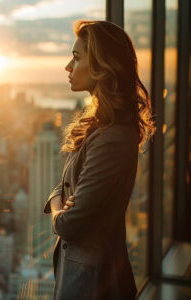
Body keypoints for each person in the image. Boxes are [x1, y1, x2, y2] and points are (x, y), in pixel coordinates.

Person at [43, 20, 156, 299]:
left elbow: (69, 224)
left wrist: (58, 207)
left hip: (95, 284)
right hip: (81, 278)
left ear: (102, 66)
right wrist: (64, 200)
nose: (68, 67)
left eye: (77, 57)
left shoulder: (114, 137)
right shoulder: (99, 126)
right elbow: (65, 187)